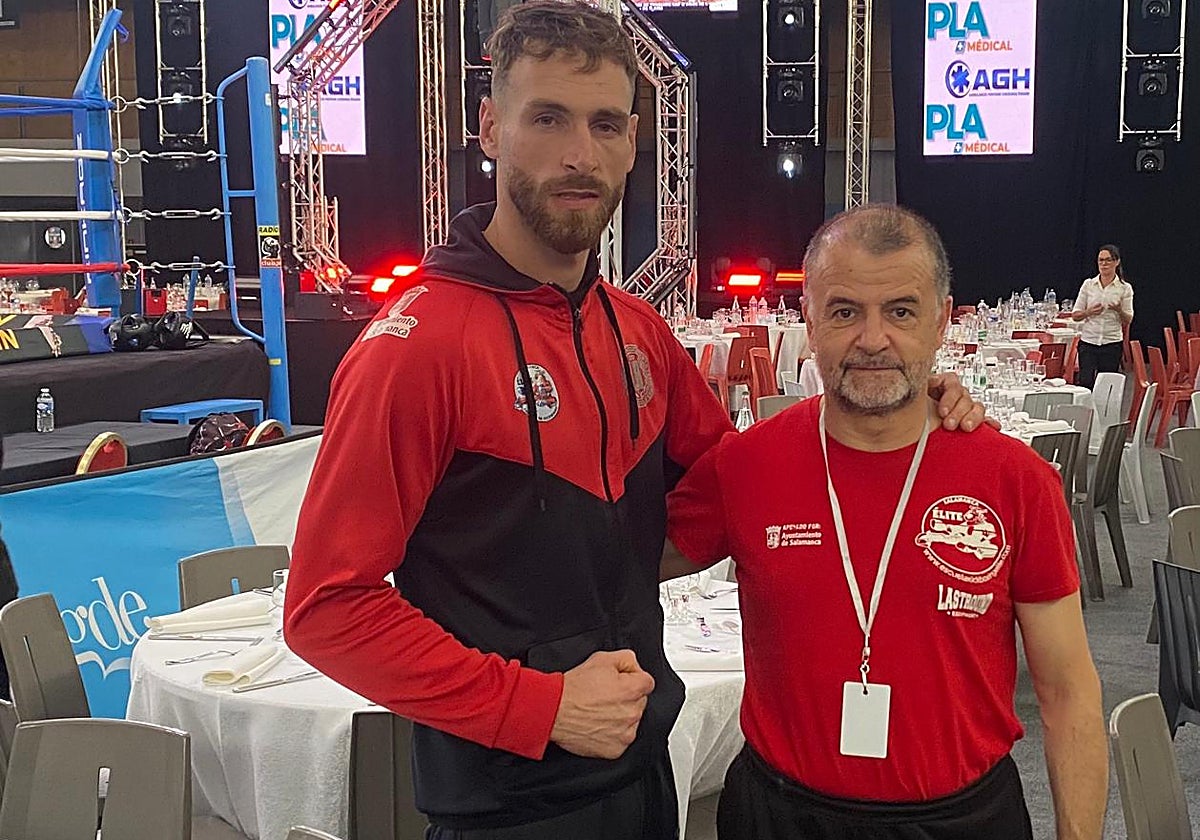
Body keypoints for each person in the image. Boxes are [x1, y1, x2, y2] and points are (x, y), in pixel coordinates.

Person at [284, 5, 985, 838]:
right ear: (488, 126)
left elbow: (744, 480)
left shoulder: (636, 330)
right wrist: (536, 705)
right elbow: (325, 609)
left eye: (605, 124)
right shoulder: (415, 347)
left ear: (633, 141)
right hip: (505, 811)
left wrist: (904, 412)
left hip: (646, 782)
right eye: (547, 118)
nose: (580, 154)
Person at [666, 205, 1107, 840]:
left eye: (901, 311)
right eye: (845, 311)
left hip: (961, 820)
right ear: (809, 322)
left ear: (941, 321)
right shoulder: (745, 465)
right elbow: (615, 560)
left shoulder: (1015, 480)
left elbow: (1067, 692)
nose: (873, 340)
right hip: (780, 815)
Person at [1071, 244, 1133, 389]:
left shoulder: (1124, 288)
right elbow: (1075, 315)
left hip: (1111, 342)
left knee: (1107, 387)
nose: (1104, 264)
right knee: (1085, 384)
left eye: (1108, 260)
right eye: (1101, 260)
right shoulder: (1088, 284)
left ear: (1116, 262)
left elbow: (1128, 319)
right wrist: (1088, 312)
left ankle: (1104, 412)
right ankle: (1087, 412)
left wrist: (1118, 310)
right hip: (1088, 341)